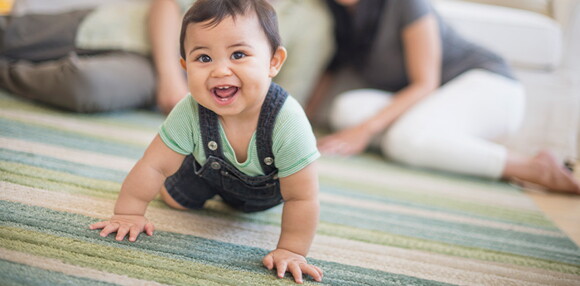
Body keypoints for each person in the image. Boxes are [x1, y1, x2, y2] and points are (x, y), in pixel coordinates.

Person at [89, 0, 323, 283]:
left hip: (264, 192)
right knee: (175, 199)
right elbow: (153, 166)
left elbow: (302, 196)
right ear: (185, 66)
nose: (220, 71)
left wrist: (291, 249)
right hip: (204, 173)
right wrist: (128, 213)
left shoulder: (287, 120)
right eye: (203, 58)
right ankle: (188, 172)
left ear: (273, 62)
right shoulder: (189, 110)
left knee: (280, 200)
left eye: (238, 54)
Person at [307, 0, 580, 194]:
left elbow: (426, 83)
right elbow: (329, 71)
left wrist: (365, 131)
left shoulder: (405, 3)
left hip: (488, 85)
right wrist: (301, 122)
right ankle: (435, 140)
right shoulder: (337, 12)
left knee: (403, 140)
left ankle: (533, 168)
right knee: (345, 109)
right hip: (430, 100)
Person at [0, 0, 333, 113]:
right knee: (12, 33)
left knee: (84, 86)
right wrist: (174, 78)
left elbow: (285, 97)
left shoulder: (314, 22)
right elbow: (167, 4)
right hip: (122, 27)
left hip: (159, 75)